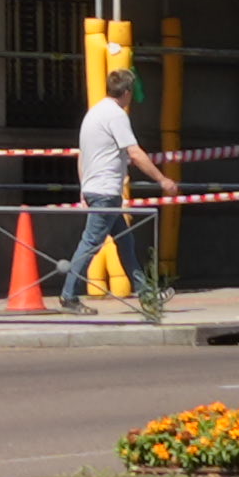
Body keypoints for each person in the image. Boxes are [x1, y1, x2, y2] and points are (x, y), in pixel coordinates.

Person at [70, 70, 153, 314]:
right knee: (90, 243)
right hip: (106, 191)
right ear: (126, 93)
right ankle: (68, 295)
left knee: (125, 242)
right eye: (131, 94)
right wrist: (162, 178)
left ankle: (145, 292)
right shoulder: (116, 116)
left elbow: (82, 155)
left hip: (97, 188)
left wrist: (83, 188)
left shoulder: (93, 113)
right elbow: (135, 153)